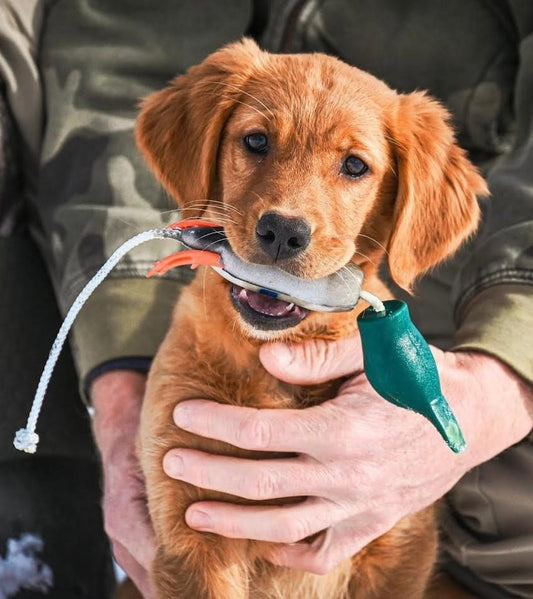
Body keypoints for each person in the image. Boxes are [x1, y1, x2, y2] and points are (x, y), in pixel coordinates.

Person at [1, 1, 532, 598]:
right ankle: (33, 534)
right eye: (256, 142)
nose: (288, 212)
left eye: (353, 166)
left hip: (473, 318)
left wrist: (499, 382)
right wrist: (123, 387)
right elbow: (123, 50)